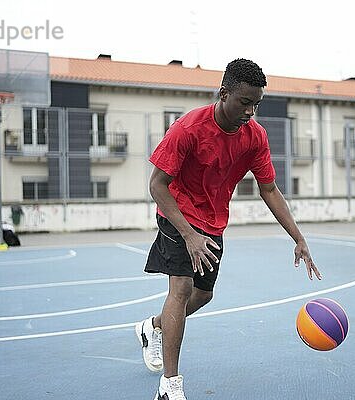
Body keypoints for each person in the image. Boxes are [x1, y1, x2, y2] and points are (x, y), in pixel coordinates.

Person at [136, 58, 321, 400]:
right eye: (244, 102)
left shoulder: (254, 137)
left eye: (256, 104)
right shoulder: (188, 129)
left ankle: (154, 326)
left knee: (203, 295)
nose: (250, 111)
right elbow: (157, 184)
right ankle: (170, 386)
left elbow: (269, 189)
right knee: (180, 287)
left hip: (213, 219)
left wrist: (298, 237)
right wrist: (189, 235)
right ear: (223, 94)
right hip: (177, 212)